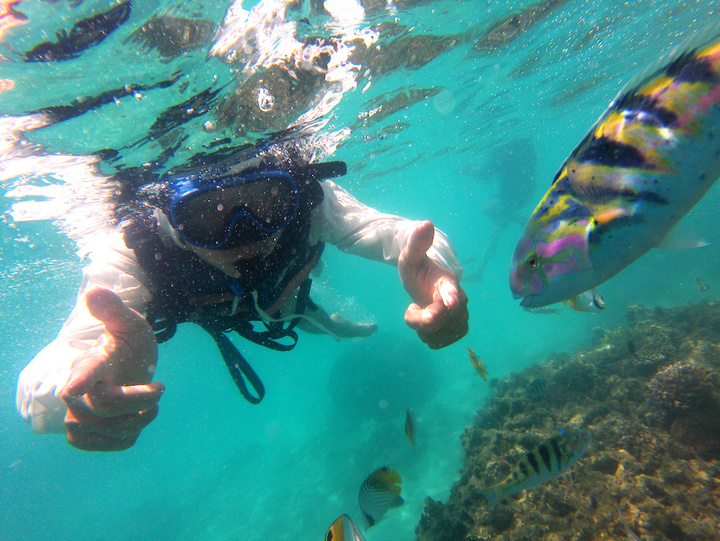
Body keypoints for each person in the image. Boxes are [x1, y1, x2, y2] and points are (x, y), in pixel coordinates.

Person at [16, 137, 469, 452]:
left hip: (281, 291)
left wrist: (436, 269)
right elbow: (52, 369)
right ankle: (321, 320)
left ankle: (322, 320)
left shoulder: (313, 199)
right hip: (213, 310)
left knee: (287, 304)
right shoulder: (135, 248)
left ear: (289, 190)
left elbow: (395, 232)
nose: (244, 233)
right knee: (284, 306)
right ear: (170, 219)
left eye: (267, 201)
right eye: (208, 216)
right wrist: (74, 389)